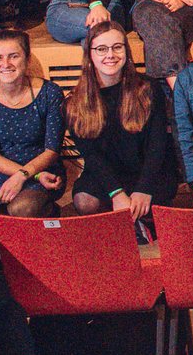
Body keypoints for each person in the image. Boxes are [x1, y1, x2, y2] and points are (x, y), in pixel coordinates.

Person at [67, 19, 176, 220]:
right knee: (84, 201)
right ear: (89, 54)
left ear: (126, 51)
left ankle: (137, 220)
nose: (110, 55)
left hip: (147, 171)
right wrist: (116, 193)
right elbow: (92, 156)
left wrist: (144, 188)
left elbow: (157, 144)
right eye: (101, 49)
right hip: (108, 174)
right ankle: (120, 222)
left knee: (157, 205)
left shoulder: (148, 88)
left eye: (117, 47)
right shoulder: (75, 102)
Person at [0, 28, 66, 224]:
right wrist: (21, 175)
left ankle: (47, 211)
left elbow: (52, 150)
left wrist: (27, 175)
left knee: (23, 208)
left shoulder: (49, 93)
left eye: (14, 56)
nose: (5, 64)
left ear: (27, 60)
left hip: (42, 170)